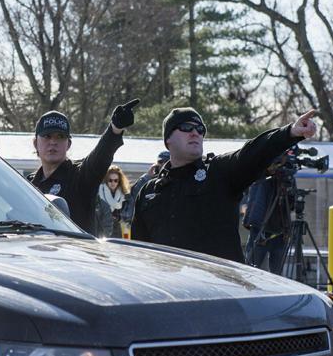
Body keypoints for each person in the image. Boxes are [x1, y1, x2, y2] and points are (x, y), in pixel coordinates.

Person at [131, 107, 317, 262]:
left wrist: (290, 133)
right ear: (168, 140)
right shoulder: (149, 191)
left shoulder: (218, 172)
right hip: (169, 295)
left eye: (200, 129)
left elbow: (251, 153)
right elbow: (140, 251)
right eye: (186, 127)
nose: (196, 133)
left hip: (220, 293)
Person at [27, 99, 138, 233]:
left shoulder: (80, 176)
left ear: (68, 144)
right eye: (47, 136)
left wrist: (115, 129)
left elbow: (99, 158)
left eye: (60, 136)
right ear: (35, 143)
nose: (53, 142)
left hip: (75, 253)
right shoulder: (28, 185)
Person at [243, 159, 291, 274]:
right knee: (250, 271)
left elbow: (291, 205)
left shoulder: (286, 178)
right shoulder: (261, 176)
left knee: (277, 274)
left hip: (280, 232)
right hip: (260, 230)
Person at [120, 150, 170, 224]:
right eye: (160, 162)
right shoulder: (148, 180)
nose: (163, 164)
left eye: (166, 161)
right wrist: (147, 177)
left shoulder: (177, 179)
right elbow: (134, 195)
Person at [96, 165, 130, 238]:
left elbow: (127, 216)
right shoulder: (99, 193)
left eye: (116, 180)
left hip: (117, 231)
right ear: (106, 180)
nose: (113, 183)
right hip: (102, 230)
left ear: (119, 181)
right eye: (110, 180)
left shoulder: (124, 195)